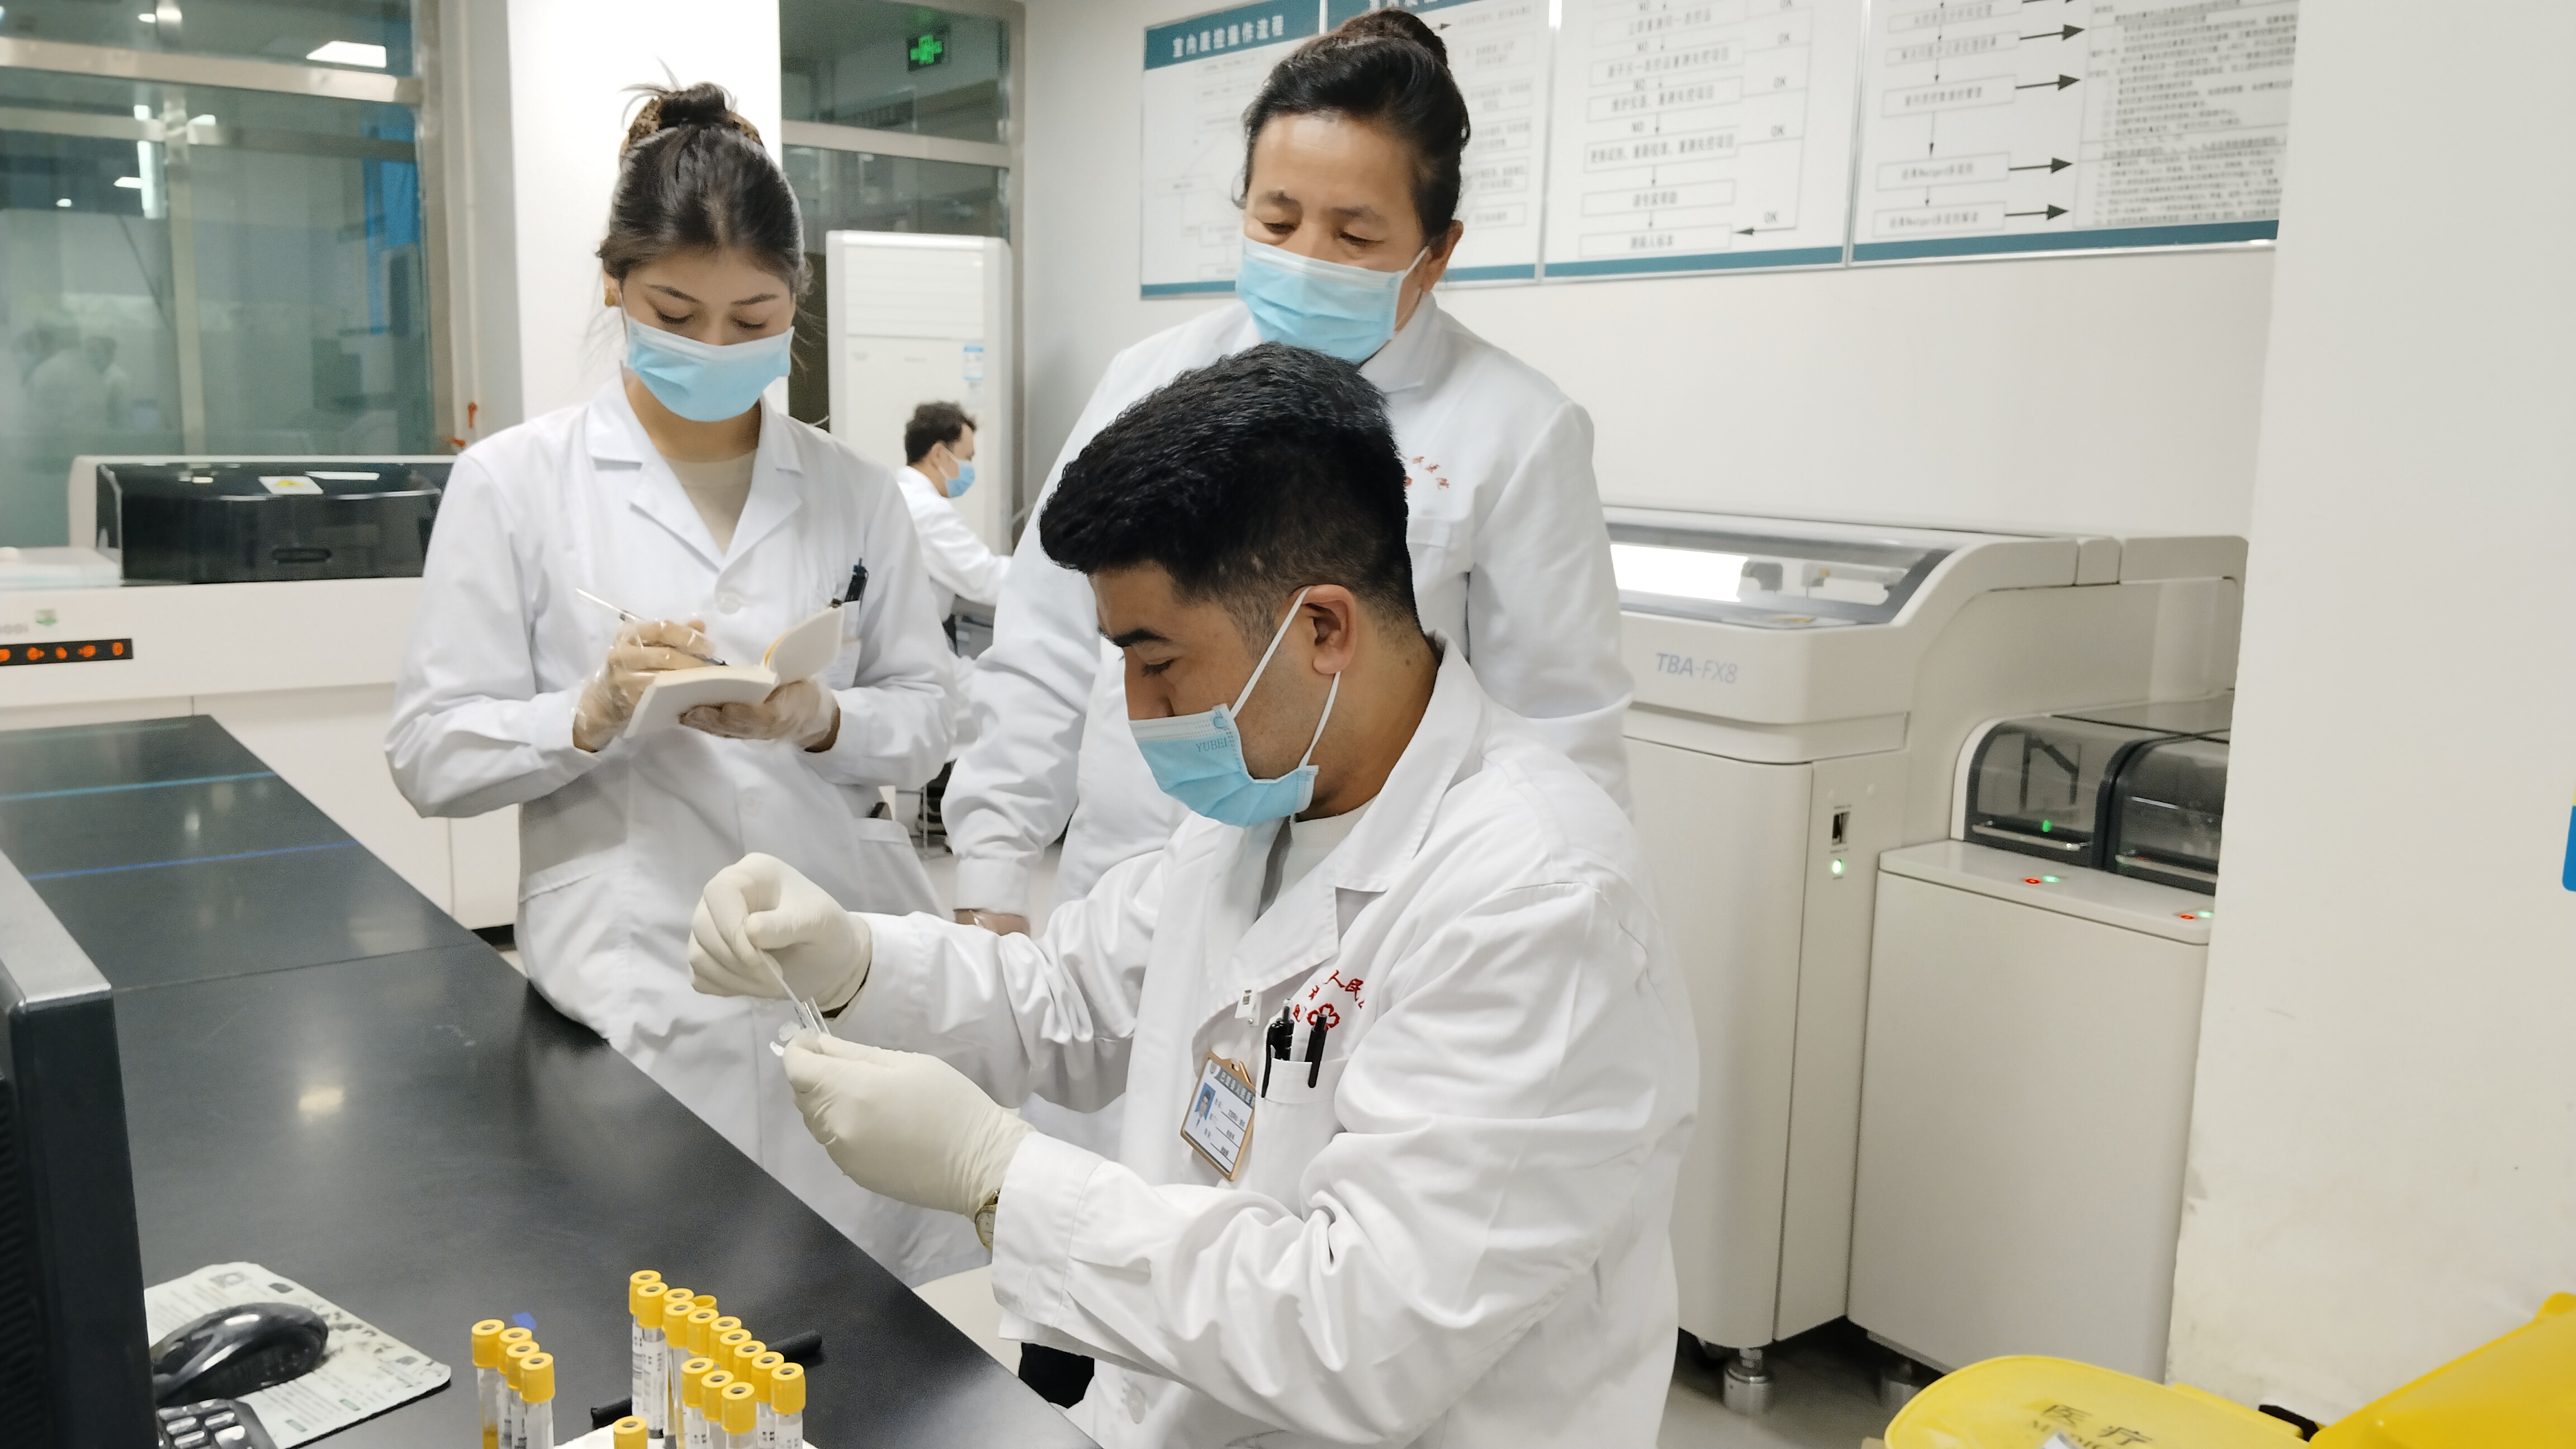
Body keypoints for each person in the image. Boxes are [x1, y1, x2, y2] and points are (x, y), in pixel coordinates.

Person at [687, 345, 1696, 1448]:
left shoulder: (1536, 902)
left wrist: (1001, 1178)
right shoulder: (1263, 804)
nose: (1135, 708)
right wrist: (854, 962)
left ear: (1323, 629)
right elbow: (1068, 1000)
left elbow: (1363, 1333)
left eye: (1157, 661)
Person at [386, 82, 982, 1285]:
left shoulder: (856, 491)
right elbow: (429, 753)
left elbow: (933, 716)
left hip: (840, 957)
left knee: (860, 1314)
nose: (715, 347)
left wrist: (820, 716)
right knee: (666, 1316)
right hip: (638, 977)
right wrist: (588, 712)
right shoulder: (516, 484)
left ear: (795, 302)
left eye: (752, 317)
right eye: (675, 311)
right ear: (615, 286)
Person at [943, 7, 1633, 951]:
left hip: (1367, 924)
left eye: (1354, 236)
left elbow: (1559, 731)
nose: (1305, 257)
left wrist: (1535, 926)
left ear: (1436, 251)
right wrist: (990, 870)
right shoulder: (1147, 379)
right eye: (1276, 220)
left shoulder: (1514, 428)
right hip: (1125, 892)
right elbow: (1046, 646)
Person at [894, 401, 1009, 622]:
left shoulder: (899, 494)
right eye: (968, 458)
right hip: (912, 637)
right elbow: (985, 578)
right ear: (938, 454)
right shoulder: (927, 509)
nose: (970, 469)